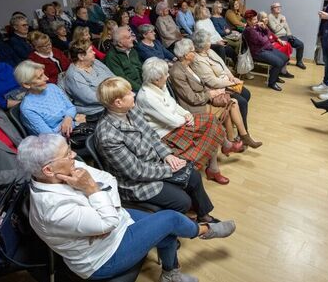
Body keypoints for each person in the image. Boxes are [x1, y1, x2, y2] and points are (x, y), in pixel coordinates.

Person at [17, 134, 235, 282]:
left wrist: (101, 203)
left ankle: (171, 274)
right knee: (170, 219)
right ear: (48, 170)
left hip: (113, 227)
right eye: (67, 154)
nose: (74, 155)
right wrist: (93, 190)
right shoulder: (53, 210)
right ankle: (204, 230)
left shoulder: (66, 169)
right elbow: (107, 217)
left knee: (166, 229)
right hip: (102, 258)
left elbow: (108, 179)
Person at [95, 77, 229, 223]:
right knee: (182, 201)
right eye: (128, 93)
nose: (133, 94)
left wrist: (167, 155)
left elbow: (151, 135)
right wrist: (170, 169)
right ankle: (172, 228)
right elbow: (137, 172)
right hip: (134, 183)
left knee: (194, 175)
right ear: (118, 103)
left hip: (153, 165)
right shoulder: (108, 136)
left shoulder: (130, 110)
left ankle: (203, 215)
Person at [136, 58, 236, 184]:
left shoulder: (160, 85)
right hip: (167, 132)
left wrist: (187, 114)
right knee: (211, 126)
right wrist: (188, 119)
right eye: (166, 74)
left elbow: (174, 105)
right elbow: (171, 120)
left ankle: (216, 162)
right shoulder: (147, 97)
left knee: (211, 121)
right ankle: (219, 158)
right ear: (156, 79)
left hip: (178, 122)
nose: (168, 76)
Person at [170, 39, 258, 150]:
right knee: (232, 104)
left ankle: (240, 138)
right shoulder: (177, 72)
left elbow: (201, 84)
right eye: (193, 50)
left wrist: (215, 91)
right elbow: (191, 98)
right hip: (194, 107)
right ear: (186, 55)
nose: (195, 52)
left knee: (233, 102)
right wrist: (211, 93)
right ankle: (234, 141)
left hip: (203, 97)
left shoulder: (189, 65)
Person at [190, 30, 259, 141]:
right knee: (242, 101)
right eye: (208, 40)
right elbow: (212, 82)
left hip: (227, 82)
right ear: (202, 44)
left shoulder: (210, 52)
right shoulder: (198, 60)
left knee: (246, 94)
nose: (210, 42)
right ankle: (244, 134)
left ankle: (236, 120)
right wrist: (232, 83)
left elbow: (224, 66)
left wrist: (232, 77)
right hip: (217, 88)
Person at [15, 60, 85, 136]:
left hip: (74, 131)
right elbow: (50, 136)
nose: (47, 78)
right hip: (58, 143)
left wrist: (68, 118)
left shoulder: (52, 87)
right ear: (26, 84)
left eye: (44, 74)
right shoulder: (28, 108)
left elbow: (71, 107)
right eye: (40, 77)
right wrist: (75, 122)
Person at [242, 10, 291, 91]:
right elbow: (263, 40)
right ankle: (272, 83)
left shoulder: (256, 26)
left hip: (266, 48)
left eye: (256, 19)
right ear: (248, 20)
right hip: (258, 52)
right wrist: (266, 37)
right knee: (279, 63)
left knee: (285, 58)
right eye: (254, 20)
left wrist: (264, 28)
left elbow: (268, 34)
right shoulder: (249, 30)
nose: (256, 21)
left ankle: (274, 76)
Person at [64, 40, 115, 117]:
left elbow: (113, 77)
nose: (94, 53)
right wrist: (116, 95)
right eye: (91, 51)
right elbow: (90, 98)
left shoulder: (95, 62)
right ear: (81, 56)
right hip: (96, 112)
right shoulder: (73, 75)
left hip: (112, 103)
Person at [267, 2, 306, 69]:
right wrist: (282, 22)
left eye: (280, 6)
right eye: (276, 7)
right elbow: (275, 30)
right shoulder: (270, 17)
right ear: (272, 9)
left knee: (300, 44)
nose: (279, 8)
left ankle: (299, 62)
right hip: (278, 37)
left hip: (286, 36)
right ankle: (284, 62)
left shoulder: (282, 16)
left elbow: (286, 27)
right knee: (286, 46)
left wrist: (290, 35)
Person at [104, 27, 143, 91]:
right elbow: (122, 79)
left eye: (131, 36)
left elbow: (140, 68)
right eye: (128, 38)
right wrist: (141, 89)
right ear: (120, 43)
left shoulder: (132, 50)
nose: (132, 39)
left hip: (142, 85)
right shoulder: (112, 56)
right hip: (130, 89)